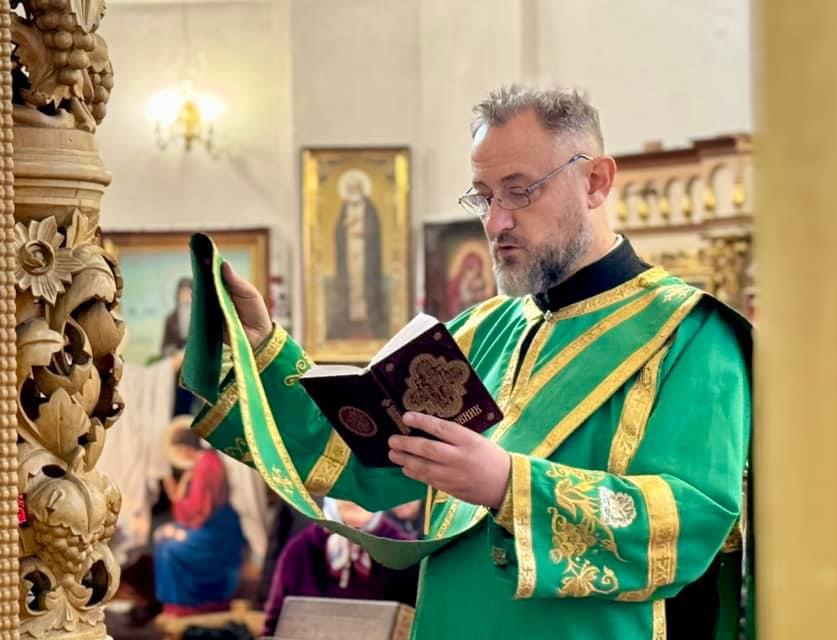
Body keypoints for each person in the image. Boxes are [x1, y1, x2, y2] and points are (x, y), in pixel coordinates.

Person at [190, 85, 751, 639]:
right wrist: (262, 348)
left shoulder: (691, 333)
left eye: (519, 191)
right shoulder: (484, 329)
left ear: (596, 182)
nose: (496, 221)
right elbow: (359, 456)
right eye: (483, 197)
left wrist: (508, 484)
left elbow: (690, 521)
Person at [262, 500, 419, 636]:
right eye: (346, 486)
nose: (356, 497)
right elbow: (274, 625)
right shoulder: (300, 550)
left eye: (366, 485)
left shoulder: (405, 554)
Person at [153, 423, 247, 616]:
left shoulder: (206, 465)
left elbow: (199, 510)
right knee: (161, 536)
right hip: (208, 525)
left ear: (186, 447)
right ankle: (174, 604)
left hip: (215, 532)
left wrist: (176, 499)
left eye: (178, 449)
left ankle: (186, 605)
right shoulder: (202, 463)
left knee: (170, 549)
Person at [327, 169, 387, 340]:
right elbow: (338, 232)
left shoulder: (369, 208)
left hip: (365, 256)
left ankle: (369, 322)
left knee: (364, 286)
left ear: (361, 189)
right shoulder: (344, 208)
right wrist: (345, 226)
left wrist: (364, 231)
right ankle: (349, 323)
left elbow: (375, 230)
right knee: (350, 286)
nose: (353, 191)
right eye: (350, 188)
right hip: (349, 256)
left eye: (356, 188)